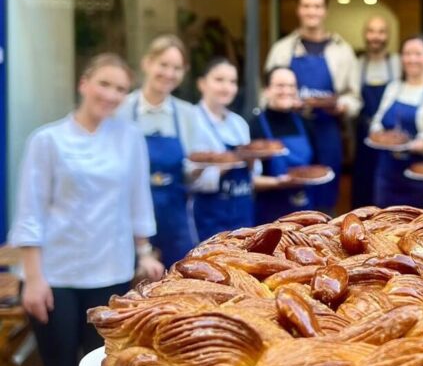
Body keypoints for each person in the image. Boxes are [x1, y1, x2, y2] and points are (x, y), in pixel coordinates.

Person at [8, 53, 164, 366]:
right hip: (55, 280)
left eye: (119, 88)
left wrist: (145, 251)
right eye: (105, 85)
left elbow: (137, 200)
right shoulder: (48, 140)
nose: (111, 95)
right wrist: (33, 278)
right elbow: (30, 212)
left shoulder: (130, 138)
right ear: (84, 84)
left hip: (111, 274)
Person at [265, 0, 361, 214]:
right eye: (307, 6)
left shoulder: (342, 50)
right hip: (291, 130)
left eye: (317, 6)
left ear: (325, 11)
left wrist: (341, 106)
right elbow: (266, 93)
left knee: (326, 198)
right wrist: (284, 103)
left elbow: (355, 98)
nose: (312, 11)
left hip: (328, 130)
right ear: (298, 9)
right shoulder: (282, 49)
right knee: (291, 195)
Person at [117, 34, 200, 266]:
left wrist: (203, 170)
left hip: (175, 221)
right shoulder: (121, 110)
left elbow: (193, 168)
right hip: (128, 220)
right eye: (163, 65)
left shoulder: (187, 115)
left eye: (177, 68)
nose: (169, 73)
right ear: (147, 63)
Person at [368, 35, 423, 207]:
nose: (411, 59)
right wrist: (378, 134)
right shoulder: (394, 88)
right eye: (407, 54)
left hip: (418, 177)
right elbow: (377, 121)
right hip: (386, 173)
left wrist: (412, 145)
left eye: (417, 54)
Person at [188, 57, 254, 241]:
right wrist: (223, 165)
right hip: (208, 216)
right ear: (202, 84)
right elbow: (187, 176)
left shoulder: (239, 123)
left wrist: (251, 161)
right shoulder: (191, 120)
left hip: (242, 210)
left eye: (232, 82)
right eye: (219, 80)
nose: (226, 87)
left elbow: (253, 175)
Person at [249, 67, 316, 224]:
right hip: (268, 214)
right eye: (280, 85)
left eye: (291, 86)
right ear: (266, 90)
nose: (286, 91)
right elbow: (249, 180)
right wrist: (279, 182)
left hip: (305, 210)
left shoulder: (306, 124)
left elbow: (315, 168)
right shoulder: (255, 126)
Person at [352, 16, 401, 208]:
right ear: (365, 34)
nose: (376, 37)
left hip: (390, 136)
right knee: (363, 185)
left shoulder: (397, 63)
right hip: (363, 134)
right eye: (371, 31)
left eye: (381, 32)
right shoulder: (357, 64)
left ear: (387, 35)